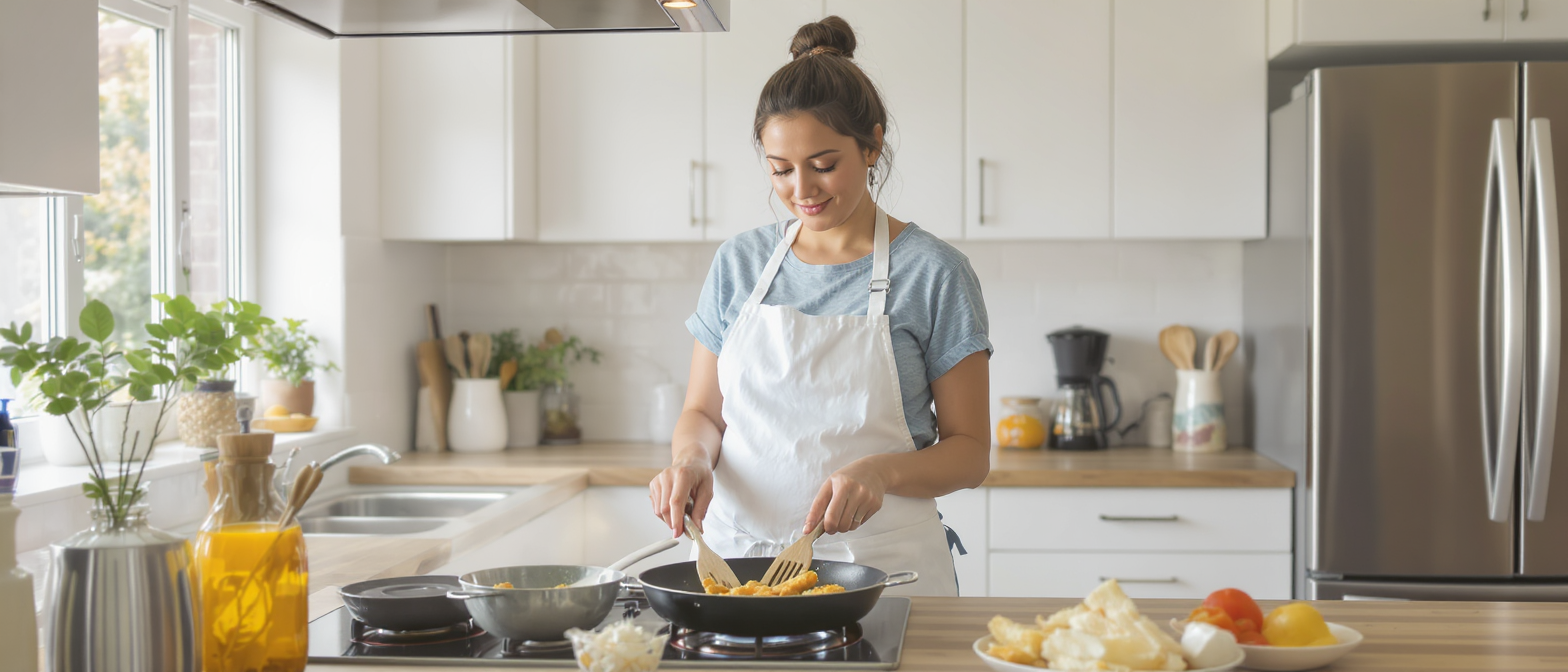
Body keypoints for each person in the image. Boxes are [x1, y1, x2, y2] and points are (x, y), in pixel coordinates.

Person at [647, 16, 991, 597]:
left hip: (883, 573)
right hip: (739, 569)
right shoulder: (740, 263)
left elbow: (970, 453)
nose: (801, 189)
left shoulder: (934, 272)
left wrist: (882, 471)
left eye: (824, 165)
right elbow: (703, 415)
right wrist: (692, 461)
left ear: (873, 144)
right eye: (780, 170)